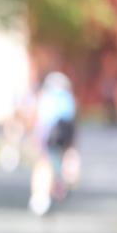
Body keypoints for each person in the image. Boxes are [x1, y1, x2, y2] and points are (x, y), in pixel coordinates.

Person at [29, 71, 78, 216]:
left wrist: (36, 140)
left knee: (43, 164)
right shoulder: (68, 99)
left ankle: (41, 196)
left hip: (48, 137)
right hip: (62, 138)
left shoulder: (45, 98)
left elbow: (40, 121)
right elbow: (71, 123)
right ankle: (58, 187)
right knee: (57, 163)